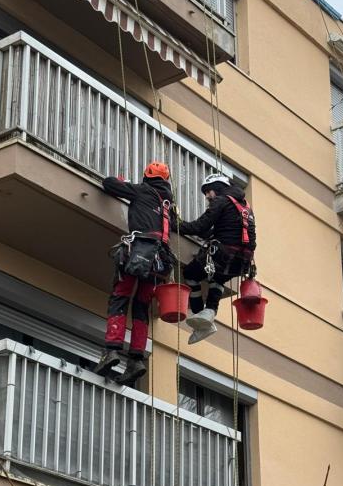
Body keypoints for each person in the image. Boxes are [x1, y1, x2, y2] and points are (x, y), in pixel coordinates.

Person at [95, 161, 177, 386]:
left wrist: (122, 182)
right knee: (141, 307)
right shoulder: (168, 205)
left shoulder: (142, 190)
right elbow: (177, 226)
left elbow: (109, 184)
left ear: (147, 176)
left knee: (120, 297)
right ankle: (136, 359)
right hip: (159, 262)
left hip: (138, 252)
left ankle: (111, 350)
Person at [179, 173, 256, 344]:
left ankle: (201, 317)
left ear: (218, 188)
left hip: (222, 254)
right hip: (242, 262)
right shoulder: (245, 206)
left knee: (191, 273)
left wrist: (177, 225)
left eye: (208, 191)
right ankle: (210, 312)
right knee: (218, 279)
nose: (207, 196)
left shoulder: (221, 200)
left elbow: (200, 226)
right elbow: (222, 231)